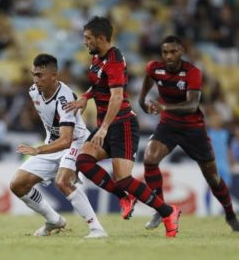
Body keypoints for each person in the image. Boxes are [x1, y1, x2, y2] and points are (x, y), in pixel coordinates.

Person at [65, 16, 180, 237]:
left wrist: (104, 128)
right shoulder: (98, 59)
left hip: (122, 125)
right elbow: (99, 84)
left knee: (124, 179)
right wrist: (85, 97)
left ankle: (168, 211)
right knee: (83, 161)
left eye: (88, 38)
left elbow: (117, 97)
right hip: (107, 125)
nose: (85, 42)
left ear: (101, 38)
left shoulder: (114, 59)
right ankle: (124, 196)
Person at [138, 35, 239, 232]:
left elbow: (192, 105)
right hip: (168, 126)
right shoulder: (154, 68)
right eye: (165, 52)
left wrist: (164, 106)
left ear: (181, 52)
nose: (168, 56)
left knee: (213, 178)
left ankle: (230, 214)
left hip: (193, 129)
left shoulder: (192, 72)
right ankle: (160, 209)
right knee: (150, 158)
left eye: (173, 52)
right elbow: (145, 89)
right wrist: (143, 103)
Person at [10, 53, 107, 238]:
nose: (35, 80)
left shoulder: (65, 100)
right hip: (53, 144)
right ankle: (53, 220)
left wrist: (37, 150)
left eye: (40, 75)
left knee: (62, 181)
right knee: (18, 184)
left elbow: (66, 140)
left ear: (54, 76)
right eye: (34, 74)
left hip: (76, 142)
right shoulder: (33, 91)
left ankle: (97, 228)